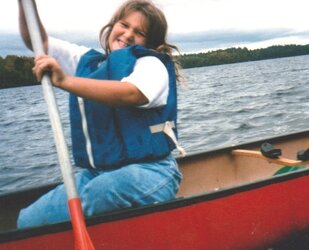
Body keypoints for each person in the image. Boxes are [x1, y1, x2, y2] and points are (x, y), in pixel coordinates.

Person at [17, 0, 185, 228]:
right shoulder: (88, 62)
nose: (127, 34)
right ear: (113, 25)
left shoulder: (151, 65)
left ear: (150, 42)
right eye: (124, 25)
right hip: (97, 174)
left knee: (101, 192)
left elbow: (131, 93)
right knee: (28, 220)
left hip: (153, 172)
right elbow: (37, 41)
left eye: (139, 32)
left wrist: (65, 81)